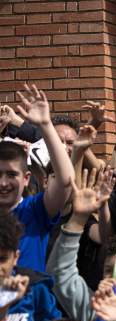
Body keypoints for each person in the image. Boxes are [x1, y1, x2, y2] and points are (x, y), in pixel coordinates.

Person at [0, 85, 74, 272]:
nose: (3, 183)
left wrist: (46, 125)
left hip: (31, 299)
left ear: (26, 178)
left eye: (11, 174)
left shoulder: (35, 209)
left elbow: (65, 180)